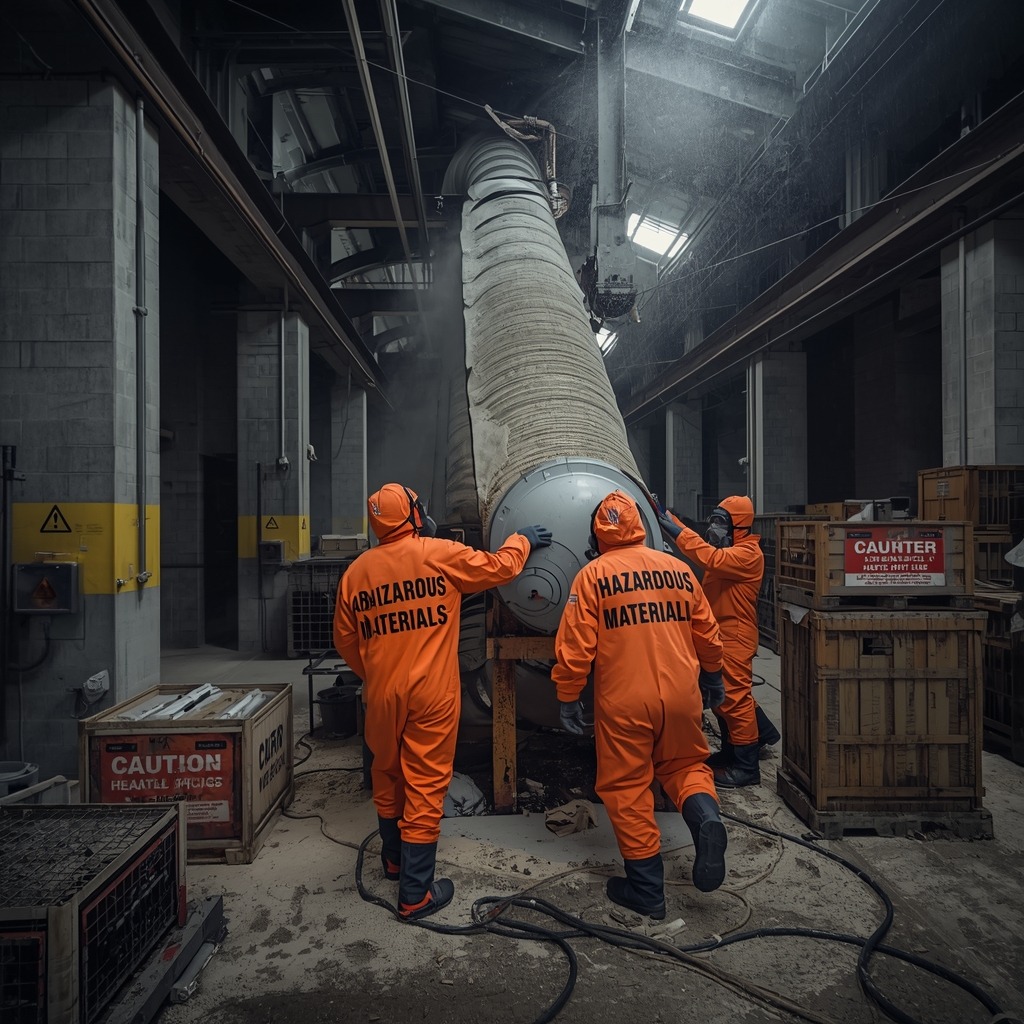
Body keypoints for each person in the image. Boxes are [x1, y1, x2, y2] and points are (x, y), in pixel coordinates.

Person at [334, 483, 552, 921]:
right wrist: (523, 537)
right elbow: (500, 568)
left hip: (380, 693)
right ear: (413, 515)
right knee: (426, 784)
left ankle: (394, 862)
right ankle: (415, 896)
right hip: (432, 694)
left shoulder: (356, 573)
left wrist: (377, 673)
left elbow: (345, 641)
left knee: (387, 771)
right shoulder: (440, 553)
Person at [551, 490, 728, 920]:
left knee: (627, 786)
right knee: (687, 766)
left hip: (625, 702)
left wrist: (568, 695)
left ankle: (647, 892)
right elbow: (707, 631)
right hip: (682, 694)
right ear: (642, 526)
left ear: (596, 535)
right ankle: (705, 818)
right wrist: (714, 674)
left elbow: (576, 649)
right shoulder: (679, 571)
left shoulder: (592, 576)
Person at [657, 496, 780, 788]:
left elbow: (707, 557)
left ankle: (746, 768)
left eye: (721, 522)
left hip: (735, 637)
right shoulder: (729, 549)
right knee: (724, 700)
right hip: (720, 635)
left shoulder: (747, 555)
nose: (714, 527)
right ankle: (739, 748)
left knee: (735, 701)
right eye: (713, 519)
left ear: (739, 526)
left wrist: (674, 531)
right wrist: (666, 516)